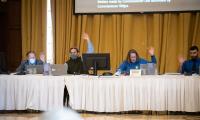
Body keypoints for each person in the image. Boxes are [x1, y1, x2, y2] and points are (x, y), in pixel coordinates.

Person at [64, 33, 94, 106]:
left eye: (74, 52)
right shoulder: (66, 63)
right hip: (71, 83)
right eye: (71, 53)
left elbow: (91, 51)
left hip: (83, 82)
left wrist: (88, 40)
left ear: (78, 53)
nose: (73, 54)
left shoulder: (83, 59)